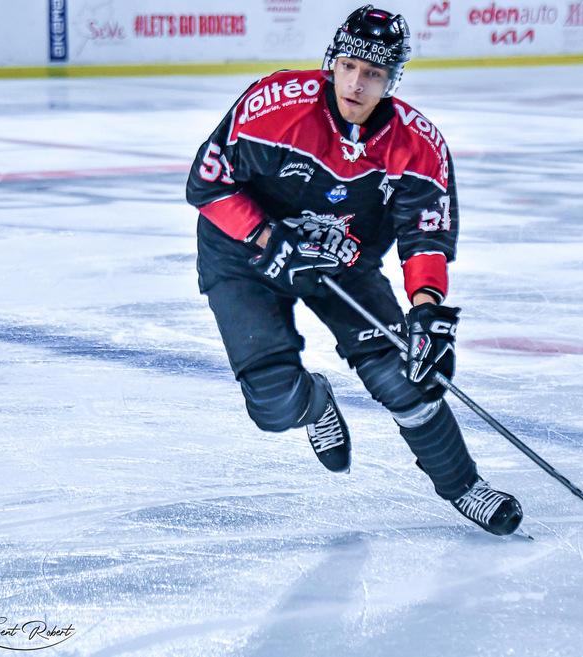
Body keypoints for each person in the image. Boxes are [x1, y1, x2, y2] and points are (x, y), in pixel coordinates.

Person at [186, 5, 523, 536]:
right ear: (333, 62)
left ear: (392, 80)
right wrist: (267, 237)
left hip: (342, 259)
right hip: (243, 252)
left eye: (373, 73)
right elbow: (207, 185)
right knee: (274, 405)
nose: (356, 84)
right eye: (348, 66)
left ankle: (464, 487)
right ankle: (315, 403)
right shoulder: (274, 106)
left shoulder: (418, 144)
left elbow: (424, 235)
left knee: (405, 377)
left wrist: (426, 308)